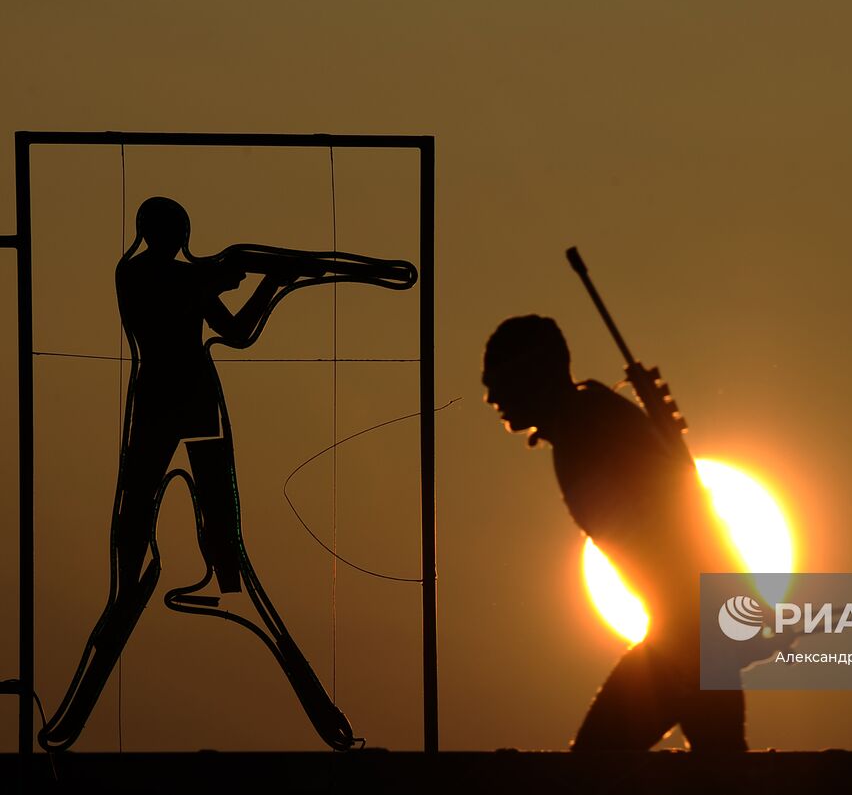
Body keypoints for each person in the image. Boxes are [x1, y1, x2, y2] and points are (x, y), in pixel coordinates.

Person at [39, 196, 411, 752]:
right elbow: (191, 288)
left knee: (227, 545)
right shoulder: (139, 274)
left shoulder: (191, 275)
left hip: (197, 407)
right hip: (161, 407)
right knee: (132, 549)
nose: (173, 237)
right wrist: (253, 272)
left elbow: (235, 334)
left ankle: (226, 584)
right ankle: (113, 634)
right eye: (167, 230)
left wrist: (275, 285)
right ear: (152, 234)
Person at [483, 314, 748, 751]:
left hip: (689, 635)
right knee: (718, 767)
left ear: (531, 374)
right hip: (689, 632)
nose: (491, 396)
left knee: (596, 766)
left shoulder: (591, 428)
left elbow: (675, 520)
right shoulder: (586, 425)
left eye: (499, 378)